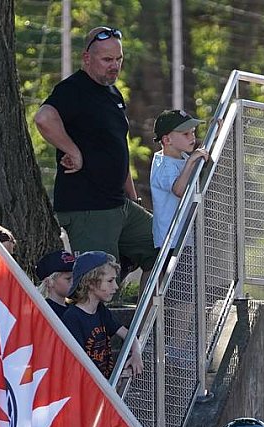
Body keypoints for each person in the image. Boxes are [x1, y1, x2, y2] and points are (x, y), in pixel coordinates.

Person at [34, 26, 155, 277]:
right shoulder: (73, 89)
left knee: (166, 251)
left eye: (119, 59)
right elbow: (44, 118)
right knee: (98, 282)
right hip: (89, 207)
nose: (114, 65)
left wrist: (132, 198)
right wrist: (72, 150)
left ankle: (150, 314)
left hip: (120, 204)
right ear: (87, 58)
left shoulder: (113, 93)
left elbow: (118, 147)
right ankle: (97, 316)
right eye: (107, 59)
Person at [62, 251, 142, 378]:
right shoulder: (72, 318)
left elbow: (129, 335)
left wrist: (136, 353)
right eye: (110, 281)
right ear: (90, 283)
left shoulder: (102, 311)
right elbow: (78, 364)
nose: (116, 287)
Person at [150, 109, 209, 254]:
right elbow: (179, 190)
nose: (192, 137)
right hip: (170, 241)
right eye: (185, 134)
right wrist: (190, 163)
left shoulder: (183, 156)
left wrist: (216, 134)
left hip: (185, 238)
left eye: (193, 132)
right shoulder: (162, 164)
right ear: (167, 140)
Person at [34, 249, 76, 317]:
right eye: (68, 279)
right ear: (49, 282)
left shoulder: (73, 307)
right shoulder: (46, 311)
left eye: (74, 277)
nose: (73, 282)